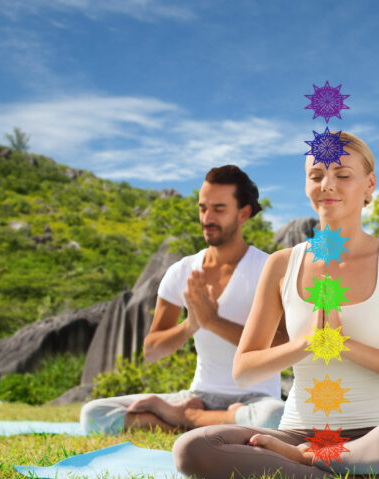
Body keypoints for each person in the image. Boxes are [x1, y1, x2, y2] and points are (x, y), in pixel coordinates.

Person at [172, 133, 379, 479]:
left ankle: (318, 466)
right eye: (316, 176)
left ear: (369, 185)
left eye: (342, 175)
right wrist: (308, 344)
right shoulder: (282, 265)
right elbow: (245, 370)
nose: (327, 184)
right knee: (193, 449)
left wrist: (344, 345)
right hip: (300, 433)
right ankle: (365, 477)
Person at [80, 165, 288, 434]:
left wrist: (214, 322)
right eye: (203, 208)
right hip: (200, 396)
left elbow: (284, 344)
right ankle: (203, 419)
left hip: (255, 400)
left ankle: (183, 419)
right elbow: (153, 351)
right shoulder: (182, 271)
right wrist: (191, 325)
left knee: (275, 418)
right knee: (94, 415)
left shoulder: (268, 268)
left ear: (244, 213)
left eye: (219, 209)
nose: (207, 217)